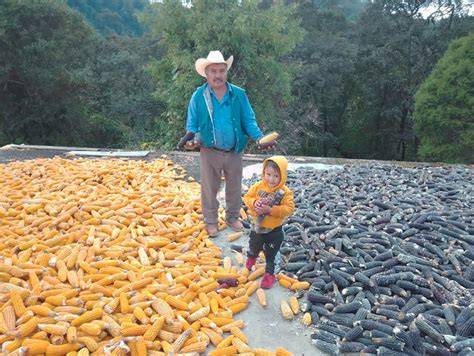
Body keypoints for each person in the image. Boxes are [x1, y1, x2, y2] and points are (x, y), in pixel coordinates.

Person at [182, 50, 271, 237]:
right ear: (206, 74)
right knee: (209, 187)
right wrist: (193, 140)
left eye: (221, 71)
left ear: (226, 72)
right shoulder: (198, 96)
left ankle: (232, 217)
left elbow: (248, 120)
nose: (218, 75)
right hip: (209, 150)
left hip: (234, 149)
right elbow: (193, 124)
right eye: (213, 71)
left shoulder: (238, 94)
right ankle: (211, 220)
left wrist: (259, 138)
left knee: (234, 186)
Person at [243, 156, 294, 289]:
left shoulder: (284, 193)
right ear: (264, 173)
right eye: (268, 174)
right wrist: (254, 203)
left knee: (271, 254)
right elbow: (247, 197)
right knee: (253, 246)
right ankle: (252, 257)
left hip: (274, 231)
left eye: (276, 176)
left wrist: (271, 210)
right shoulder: (258, 186)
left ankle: (269, 274)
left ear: (282, 176)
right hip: (257, 227)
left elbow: (289, 209)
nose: (271, 179)